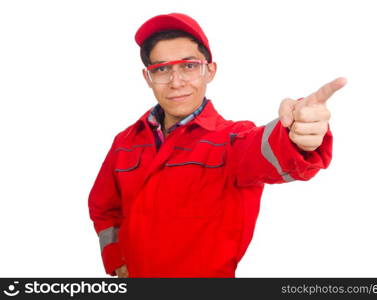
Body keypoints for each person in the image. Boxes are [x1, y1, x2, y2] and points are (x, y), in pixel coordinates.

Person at [88, 12, 346, 278]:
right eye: (162, 69)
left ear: (210, 70)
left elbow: (268, 149)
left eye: (189, 66)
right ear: (148, 77)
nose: (176, 82)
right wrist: (116, 259)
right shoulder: (125, 142)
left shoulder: (232, 140)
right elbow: (103, 207)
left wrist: (296, 134)